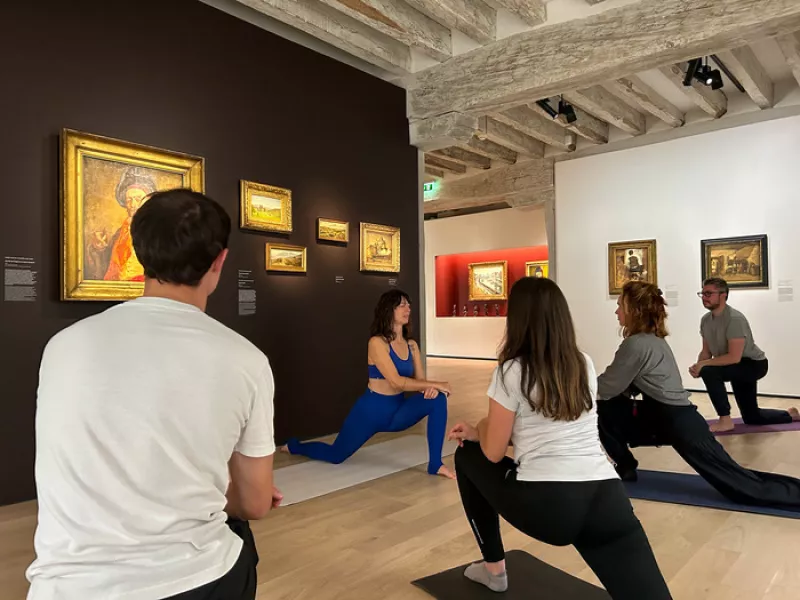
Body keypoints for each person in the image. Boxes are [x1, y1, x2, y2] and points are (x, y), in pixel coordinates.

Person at [27, 189, 280, 600]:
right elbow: (254, 504)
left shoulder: (63, 344)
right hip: (194, 579)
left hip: (67, 587)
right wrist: (234, 492)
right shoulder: (246, 360)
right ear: (220, 260)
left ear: (141, 254)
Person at [447, 277, 671, 600]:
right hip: (607, 498)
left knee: (468, 454)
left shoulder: (511, 371)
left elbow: (493, 452)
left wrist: (479, 427)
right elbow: (552, 432)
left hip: (549, 504)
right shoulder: (584, 364)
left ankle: (494, 569)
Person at [597, 281, 800, 510]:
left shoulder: (636, 345)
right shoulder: (652, 340)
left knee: (744, 487)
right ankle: (625, 465)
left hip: (679, 422)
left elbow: (604, 388)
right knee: (606, 409)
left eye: (620, 306)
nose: (616, 312)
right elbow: (618, 388)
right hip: (664, 417)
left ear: (635, 310)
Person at [283, 289, 455, 479]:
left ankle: (436, 464)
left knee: (437, 400)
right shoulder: (377, 343)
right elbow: (396, 382)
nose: (408, 308)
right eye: (401, 305)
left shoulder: (411, 345)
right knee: (336, 455)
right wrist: (438, 383)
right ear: (388, 310)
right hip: (371, 412)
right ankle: (295, 446)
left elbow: (420, 381)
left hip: (397, 412)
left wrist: (430, 388)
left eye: (408, 304)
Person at [690, 277, 799, 432]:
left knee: (709, 371)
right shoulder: (706, 320)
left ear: (723, 295)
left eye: (709, 293)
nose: (704, 298)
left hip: (753, 364)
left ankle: (725, 420)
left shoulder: (735, 319)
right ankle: (789, 415)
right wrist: (698, 366)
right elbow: (706, 352)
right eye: (702, 294)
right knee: (752, 417)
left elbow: (734, 357)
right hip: (734, 365)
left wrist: (703, 366)